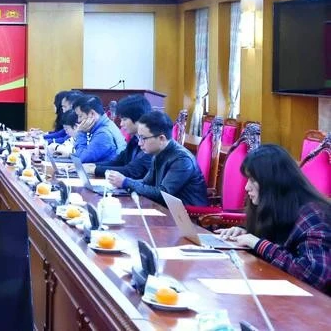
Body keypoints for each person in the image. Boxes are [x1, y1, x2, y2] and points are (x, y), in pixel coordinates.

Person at [217, 145, 330, 293]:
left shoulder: (313, 215)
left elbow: (312, 275)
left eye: (252, 180)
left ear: (272, 183)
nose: (246, 187)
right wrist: (244, 233)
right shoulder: (275, 205)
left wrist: (258, 243)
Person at [106, 110, 208, 207]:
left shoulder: (182, 160)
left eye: (143, 138)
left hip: (188, 217)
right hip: (166, 210)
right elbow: (146, 183)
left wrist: (126, 182)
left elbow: (163, 194)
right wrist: (122, 183)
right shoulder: (158, 152)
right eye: (139, 137)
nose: (139, 143)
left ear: (161, 138)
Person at [88, 94, 153, 179]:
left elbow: (132, 171)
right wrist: (91, 166)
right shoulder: (134, 139)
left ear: (138, 119)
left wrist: (95, 169)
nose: (121, 124)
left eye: (124, 119)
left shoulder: (150, 142)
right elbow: (118, 162)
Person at [71, 95, 125, 163]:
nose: (78, 120)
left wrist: (81, 133)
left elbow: (81, 160)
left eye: (80, 116)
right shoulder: (106, 125)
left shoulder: (103, 134)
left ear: (92, 114)